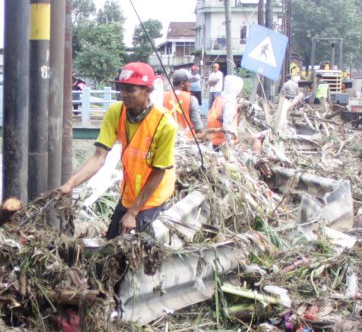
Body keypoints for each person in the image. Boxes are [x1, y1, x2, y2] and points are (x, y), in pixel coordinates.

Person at [58, 61, 177, 238]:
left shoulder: (165, 124)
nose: (124, 95)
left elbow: (158, 173)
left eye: (130, 90)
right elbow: (99, 157)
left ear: (148, 90)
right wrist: (70, 184)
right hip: (129, 193)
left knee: (136, 242)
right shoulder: (116, 111)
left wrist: (133, 213)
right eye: (121, 89)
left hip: (153, 195)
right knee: (112, 239)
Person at [206, 74, 244, 153]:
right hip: (221, 143)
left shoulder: (220, 98)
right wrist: (230, 142)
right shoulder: (230, 104)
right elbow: (226, 125)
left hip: (212, 138)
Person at [163, 70, 202, 139]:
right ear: (182, 84)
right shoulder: (191, 99)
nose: (190, 85)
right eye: (189, 82)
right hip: (186, 142)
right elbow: (198, 127)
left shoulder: (163, 97)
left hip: (167, 140)